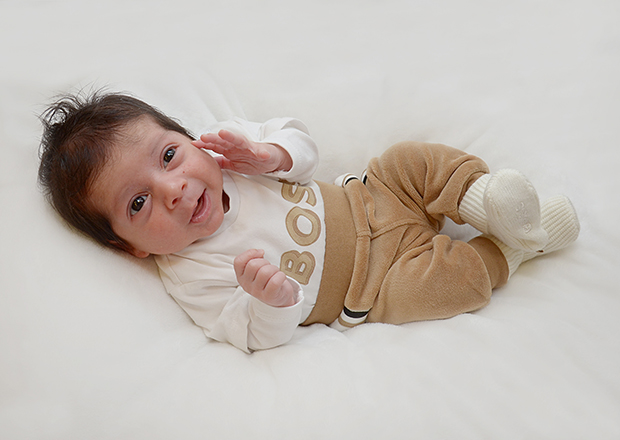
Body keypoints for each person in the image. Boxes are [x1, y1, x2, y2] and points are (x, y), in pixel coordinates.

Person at [38, 91, 580, 352]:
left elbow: (302, 144)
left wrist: (271, 154)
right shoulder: (192, 275)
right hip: (374, 283)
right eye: (138, 203)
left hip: (373, 196)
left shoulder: (231, 151)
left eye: (168, 155)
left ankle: (487, 200)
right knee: (441, 287)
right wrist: (269, 301)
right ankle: (512, 249)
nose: (173, 189)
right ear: (128, 246)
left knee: (410, 159)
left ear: (187, 137)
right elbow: (250, 334)